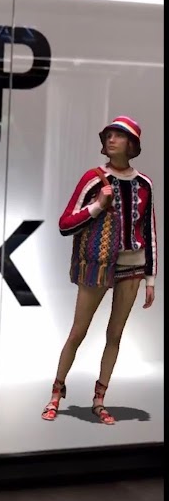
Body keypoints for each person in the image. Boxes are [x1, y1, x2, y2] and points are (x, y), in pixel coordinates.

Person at [41, 116, 156, 425]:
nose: (111, 140)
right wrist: (96, 207)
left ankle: (99, 399)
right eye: (109, 135)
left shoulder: (144, 184)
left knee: (115, 334)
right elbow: (65, 223)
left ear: (132, 144)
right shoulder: (94, 179)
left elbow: (149, 229)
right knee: (78, 331)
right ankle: (56, 393)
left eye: (119, 135)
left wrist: (151, 277)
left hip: (133, 264)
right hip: (98, 263)